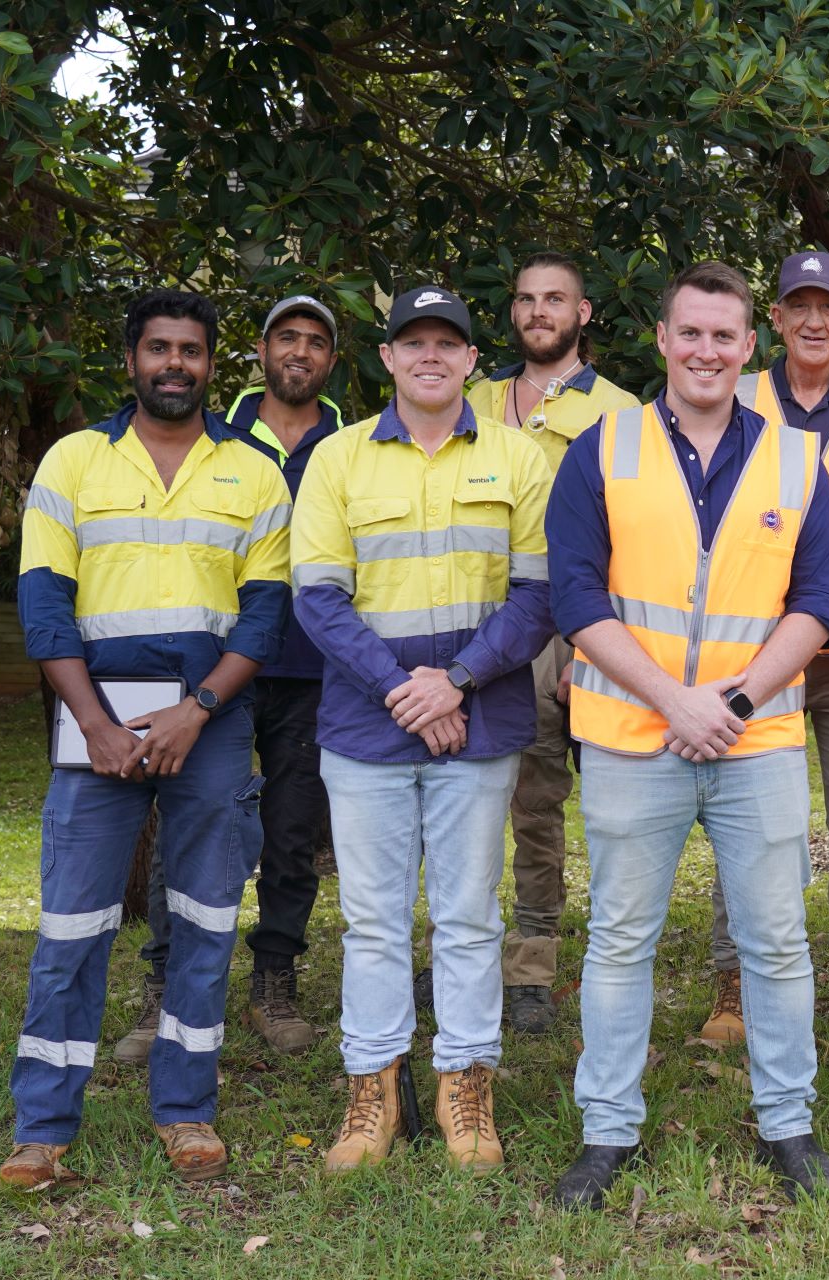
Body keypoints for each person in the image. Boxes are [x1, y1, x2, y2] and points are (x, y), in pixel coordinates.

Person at [545, 261, 829, 1209]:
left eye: (726, 335)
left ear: (748, 347)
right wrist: (675, 702)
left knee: (777, 943)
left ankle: (787, 1123)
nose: (707, 350)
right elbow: (577, 595)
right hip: (635, 737)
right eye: (691, 333)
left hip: (752, 745)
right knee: (621, 941)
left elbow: (820, 603)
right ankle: (607, 1132)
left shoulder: (798, 458)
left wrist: (737, 703)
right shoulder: (603, 448)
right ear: (663, 341)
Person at [2, 289, 290, 1186]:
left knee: (205, 923)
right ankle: (43, 1124)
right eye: (159, 348)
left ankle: (187, 1111)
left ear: (212, 364)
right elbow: (45, 603)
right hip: (99, 724)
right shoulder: (75, 461)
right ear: (130, 359)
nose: (176, 363)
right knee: (73, 926)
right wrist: (93, 724)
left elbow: (265, 616)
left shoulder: (256, 471)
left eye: (192, 351)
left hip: (209, 722)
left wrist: (196, 709)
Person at [292, 286, 554, 1174]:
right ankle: (373, 1087)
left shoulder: (520, 459)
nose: (432, 355)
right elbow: (319, 599)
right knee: (371, 919)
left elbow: (540, 595)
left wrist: (459, 682)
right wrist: (407, 691)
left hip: (479, 719)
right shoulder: (338, 460)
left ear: (474, 360)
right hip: (368, 727)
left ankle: (466, 1082)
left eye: (450, 341)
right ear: (389, 358)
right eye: (415, 342)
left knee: (470, 915)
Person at [114, 295, 346, 1063]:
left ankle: (274, 979)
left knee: (288, 831)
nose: (300, 352)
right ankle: (166, 981)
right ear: (258, 350)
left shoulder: (351, 443)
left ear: (331, 361)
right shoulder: (216, 433)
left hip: (311, 668)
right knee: (191, 821)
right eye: (288, 337)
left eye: (316, 342)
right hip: (212, 669)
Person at [696, 250, 829, 1052]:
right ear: (772, 321)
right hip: (754, 650)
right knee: (743, 824)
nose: (814, 320)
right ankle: (734, 986)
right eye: (797, 306)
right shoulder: (733, 392)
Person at [465, 252, 639, 1033]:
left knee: (583, 801)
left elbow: (632, 537)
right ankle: (493, 958)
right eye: (527, 299)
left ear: (584, 312)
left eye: (556, 299)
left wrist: (590, 645)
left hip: (581, 628)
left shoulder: (622, 410)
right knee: (498, 798)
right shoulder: (473, 399)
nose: (540, 312)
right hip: (486, 623)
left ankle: (566, 962)